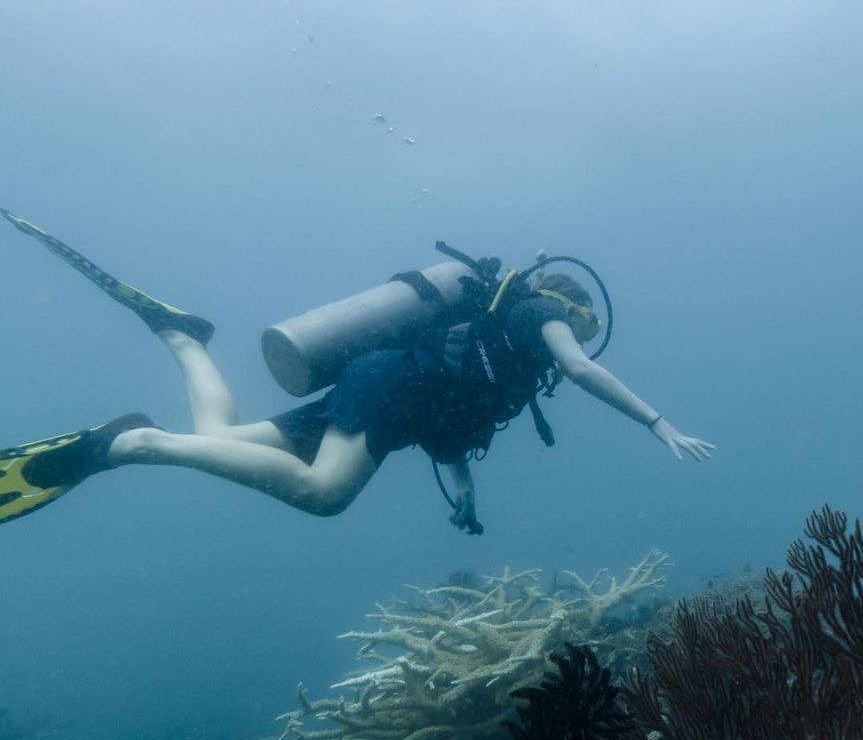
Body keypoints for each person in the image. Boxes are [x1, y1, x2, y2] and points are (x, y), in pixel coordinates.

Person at [0, 210, 713, 529]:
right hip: (389, 388)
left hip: (388, 385)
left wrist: (462, 496)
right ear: (571, 305)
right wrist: (658, 423)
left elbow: (452, 430)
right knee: (324, 495)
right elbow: (582, 371)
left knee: (216, 432)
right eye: (582, 322)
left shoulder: (505, 359)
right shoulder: (535, 316)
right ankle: (133, 445)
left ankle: (183, 338)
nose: (578, 336)